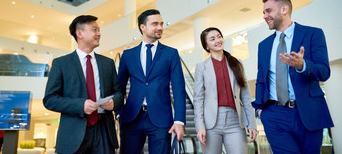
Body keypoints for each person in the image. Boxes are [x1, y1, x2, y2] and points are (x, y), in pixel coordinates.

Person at [252, 0, 334, 153]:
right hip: (274, 115)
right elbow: (261, 80)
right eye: (263, 12)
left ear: (284, 9)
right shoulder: (264, 45)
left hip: (308, 113)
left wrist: (303, 65)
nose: (264, 16)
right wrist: (260, 111)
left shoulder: (313, 34)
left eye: (268, 11)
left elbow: (324, 72)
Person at [43, 15, 123, 154]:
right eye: (94, 29)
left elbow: (119, 93)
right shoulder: (61, 63)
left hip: (104, 130)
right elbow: (50, 100)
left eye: (99, 30)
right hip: (73, 134)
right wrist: (80, 105)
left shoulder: (107, 63)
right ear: (79, 33)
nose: (99, 33)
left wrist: (113, 102)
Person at [117, 9, 186, 154]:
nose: (160, 27)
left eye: (161, 24)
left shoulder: (171, 53)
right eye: (155, 24)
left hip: (161, 119)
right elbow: (119, 87)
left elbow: (179, 89)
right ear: (143, 27)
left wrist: (179, 121)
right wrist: (118, 112)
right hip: (131, 118)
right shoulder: (128, 55)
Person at [194, 27, 257, 154]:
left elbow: (245, 96)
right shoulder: (201, 67)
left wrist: (252, 124)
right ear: (206, 46)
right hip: (210, 123)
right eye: (212, 39)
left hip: (235, 122)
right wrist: (200, 126)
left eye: (219, 36)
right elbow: (198, 99)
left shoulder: (237, 63)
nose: (218, 40)